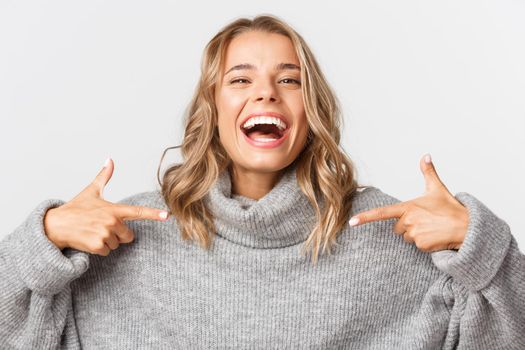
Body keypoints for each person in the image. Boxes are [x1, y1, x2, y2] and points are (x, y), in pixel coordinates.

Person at [1, 14, 524, 349]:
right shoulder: (126, 234)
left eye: (289, 80)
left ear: (310, 108)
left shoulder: (392, 233)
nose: (267, 93)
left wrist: (482, 246)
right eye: (240, 79)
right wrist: (41, 239)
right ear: (213, 107)